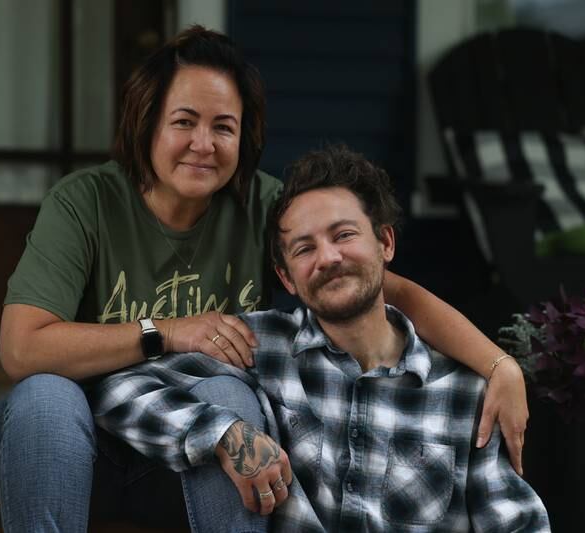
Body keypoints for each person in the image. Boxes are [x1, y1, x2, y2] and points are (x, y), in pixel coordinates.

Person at [0, 26, 529, 532]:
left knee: (226, 390)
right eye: (184, 122)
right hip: (68, 448)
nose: (204, 144)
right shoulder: (86, 202)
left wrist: (498, 365)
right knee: (46, 394)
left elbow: (383, 286)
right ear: (146, 123)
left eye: (224, 127)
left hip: (185, 462)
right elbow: (22, 349)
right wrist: (165, 331)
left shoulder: (264, 207)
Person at [91, 144, 551, 532]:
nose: (327, 258)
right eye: (304, 248)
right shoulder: (258, 345)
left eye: (344, 235)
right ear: (286, 277)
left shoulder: (464, 393)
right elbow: (117, 390)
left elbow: (518, 521)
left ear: (385, 244)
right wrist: (222, 433)